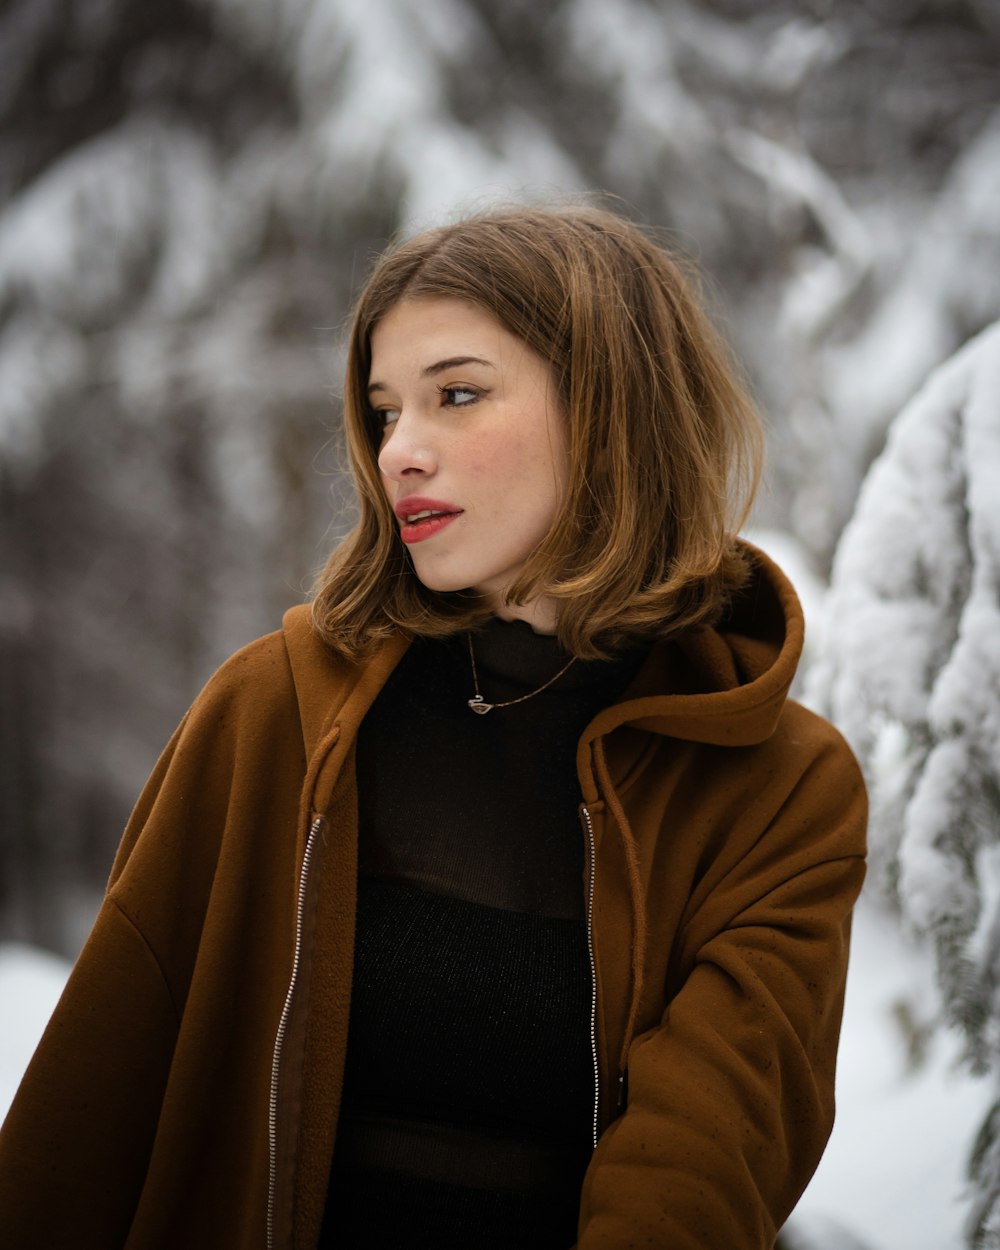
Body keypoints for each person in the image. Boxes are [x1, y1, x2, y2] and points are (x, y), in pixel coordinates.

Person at [0, 205, 867, 1249]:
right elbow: (86, 1113)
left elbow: (701, 1163)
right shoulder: (274, 712)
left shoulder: (774, 782)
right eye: (382, 411)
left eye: (456, 394)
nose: (399, 450)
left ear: (612, 409)